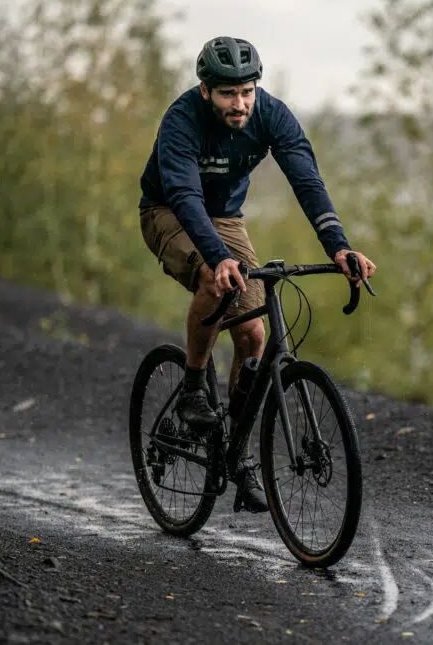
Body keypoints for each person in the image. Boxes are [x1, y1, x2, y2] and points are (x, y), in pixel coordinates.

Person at [138, 36, 376, 513]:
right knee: (214, 279)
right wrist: (217, 257)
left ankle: (238, 455)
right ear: (206, 90)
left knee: (253, 334)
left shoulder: (272, 115)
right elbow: (184, 196)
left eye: (246, 91)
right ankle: (192, 389)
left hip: (225, 217)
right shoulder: (182, 120)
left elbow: (307, 181)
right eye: (228, 93)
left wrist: (339, 246)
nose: (240, 103)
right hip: (168, 211)